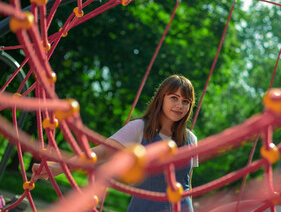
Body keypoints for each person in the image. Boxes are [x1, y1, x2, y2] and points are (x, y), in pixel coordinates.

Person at [32, 74, 198, 212]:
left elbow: (186, 184)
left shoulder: (190, 139)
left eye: (185, 101)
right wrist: (57, 168)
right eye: (174, 98)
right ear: (161, 98)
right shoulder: (140, 128)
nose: (179, 106)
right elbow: (101, 153)